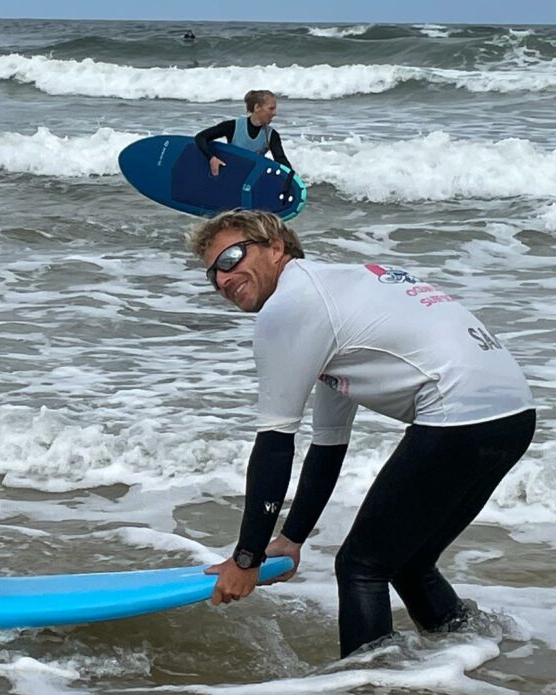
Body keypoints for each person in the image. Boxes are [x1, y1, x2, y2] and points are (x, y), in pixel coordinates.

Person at [186, 209, 535, 658]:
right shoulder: (335, 296)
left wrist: (246, 559)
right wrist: (292, 538)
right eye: (212, 273)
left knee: (361, 567)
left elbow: (274, 444)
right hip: (513, 414)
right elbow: (328, 445)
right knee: (408, 561)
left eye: (231, 257)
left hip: (459, 413)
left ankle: (371, 689)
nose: (222, 279)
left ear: (276, 248)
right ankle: (477, 651)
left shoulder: (291, 307)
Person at [195, 90, 291, 177]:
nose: (275, 113)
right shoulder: (233, 126)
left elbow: (281, 160)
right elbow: (200, 137)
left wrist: (292, 178)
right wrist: (211, 158)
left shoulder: (271, 135)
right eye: (271, 108)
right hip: (231, 175)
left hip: (252, 180)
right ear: (257, 107)